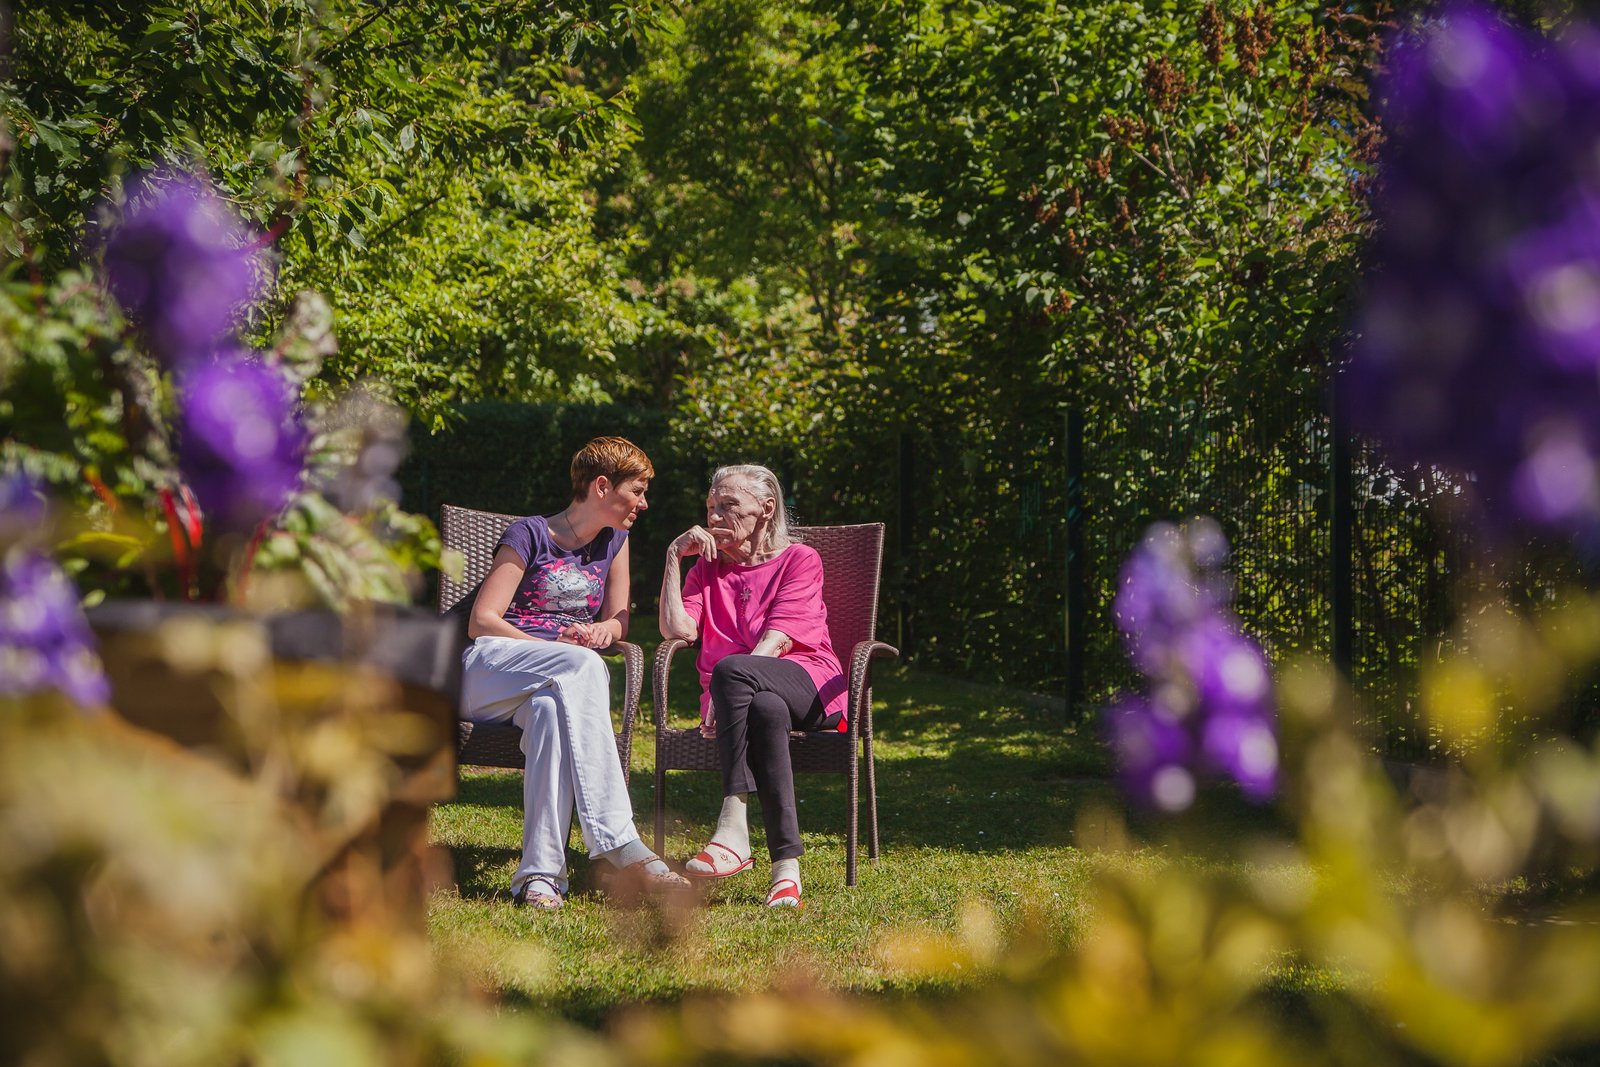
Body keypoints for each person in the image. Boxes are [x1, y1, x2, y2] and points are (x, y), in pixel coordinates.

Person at [461, 436, 688, 909]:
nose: (644, 504)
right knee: (579, 665)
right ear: (602, 486)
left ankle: (540, 876)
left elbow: (619, 618)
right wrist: (560, 651)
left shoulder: (616, 542)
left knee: (548, 713)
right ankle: (618, 839)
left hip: (548, 685)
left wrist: (603, 632)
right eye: (638, 491)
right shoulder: (530, 534)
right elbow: (482, 621)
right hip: (490, 670)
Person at [658, 464, 846, 908]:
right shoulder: (705, 570)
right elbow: (676, 630)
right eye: (710, 507)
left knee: (733, 670)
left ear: (766, 509)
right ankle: (786, 871)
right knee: (764, 709)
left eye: (728, 506)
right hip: (746, 697)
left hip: (809, 683)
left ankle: (733, 827)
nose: (715, 517)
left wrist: (724, 693)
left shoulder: (800, 560)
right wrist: (671, 556)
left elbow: (777, 640)